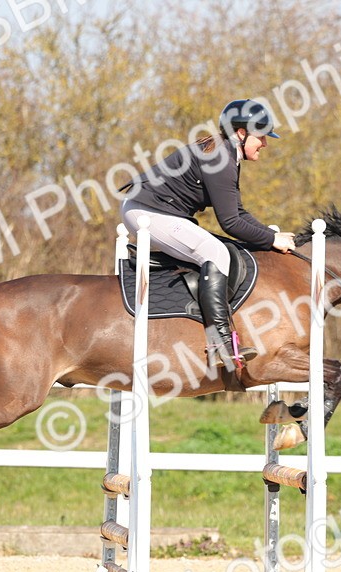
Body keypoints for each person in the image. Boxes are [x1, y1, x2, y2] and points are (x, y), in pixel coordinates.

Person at [121, 99, 296, 369]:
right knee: (216, 253)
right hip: (147, 213)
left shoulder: (226, 154)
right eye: (261, 137)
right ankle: (219, 344)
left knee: (218, 248)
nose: (265, 143)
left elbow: (238, 211)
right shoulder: (220, 158)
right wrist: (272, 240)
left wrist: (271, 234)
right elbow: (230, 223)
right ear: (241, 133)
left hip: (155, 211)